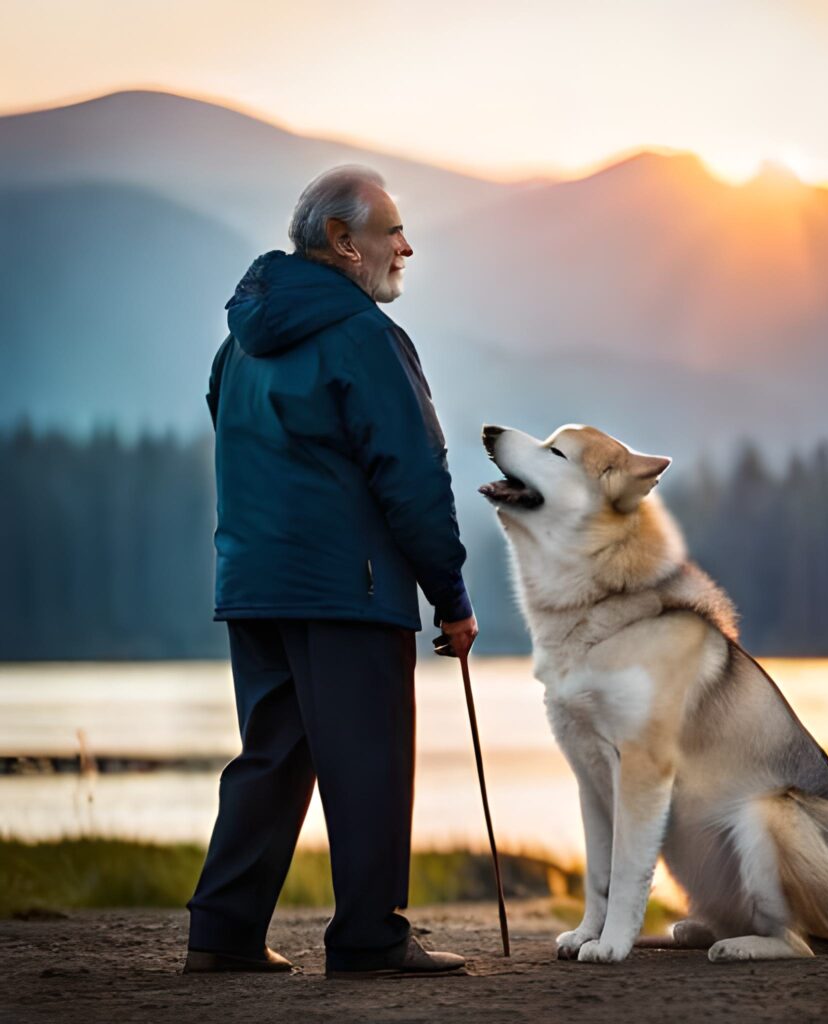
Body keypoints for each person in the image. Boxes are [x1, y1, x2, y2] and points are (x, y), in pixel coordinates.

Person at [184, 166, 478, 977]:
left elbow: (239, 439)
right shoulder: (366, 338)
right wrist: (450, 596)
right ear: (345, 244)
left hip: (253, 584)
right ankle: (370, 940)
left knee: (273, 754)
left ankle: (222, 934)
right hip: (351, 589)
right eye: (391, 232)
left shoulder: (236, 344)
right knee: (370, 758)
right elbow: (414, 474)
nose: (405, 247)